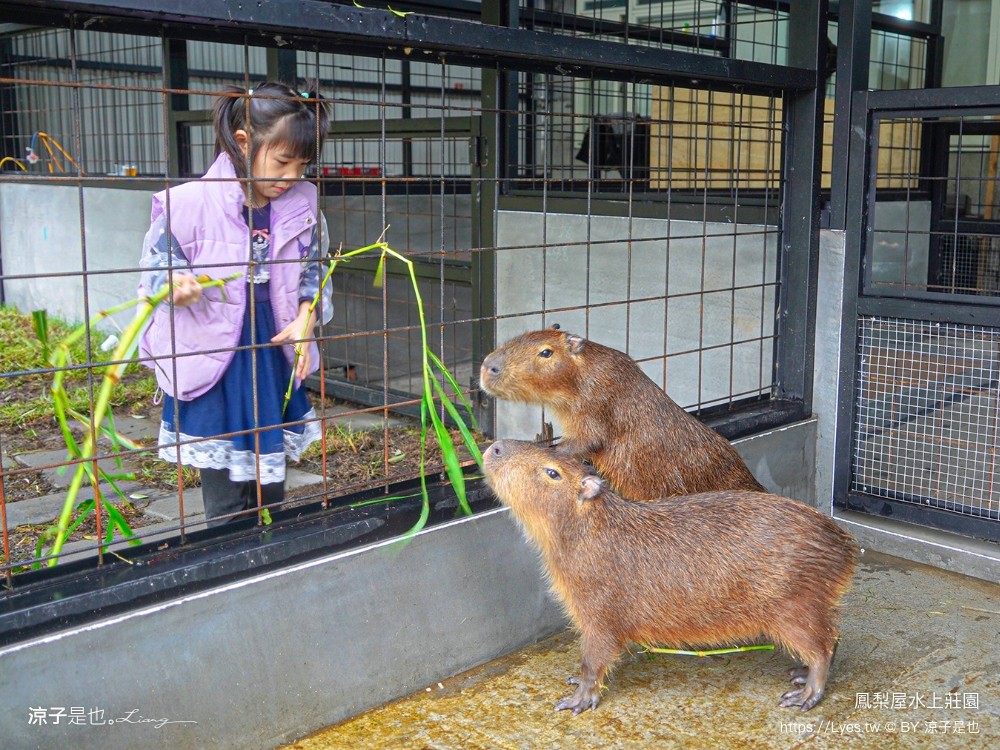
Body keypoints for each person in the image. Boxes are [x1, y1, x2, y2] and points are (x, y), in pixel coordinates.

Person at [138, 81, 333, 527]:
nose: (292, 178)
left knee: (272, 478)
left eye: (302, 166)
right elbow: (155, 270)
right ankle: (225, 555)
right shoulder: (186, 204)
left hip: (272, 346)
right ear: (245, 141)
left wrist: (307, 315)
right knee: (224, 485)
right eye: (282, 162)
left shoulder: (304, 203)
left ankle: (271, 548)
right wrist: (174, 285)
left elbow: (314, 270)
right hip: (213, 357)